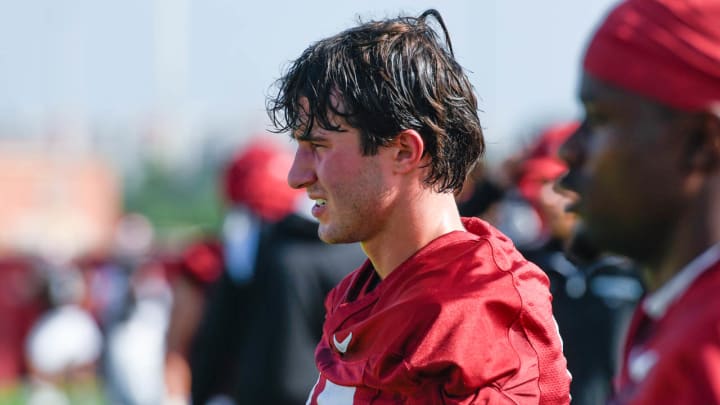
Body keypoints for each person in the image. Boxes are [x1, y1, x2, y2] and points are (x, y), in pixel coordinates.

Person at [267, 9, 570, 404]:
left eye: (318, 146)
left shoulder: (477, 311)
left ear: (405, 151)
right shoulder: (365, 289)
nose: (296, 175)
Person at [558, 0, 720, 403]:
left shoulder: (709, 347)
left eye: (599, 119)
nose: (568, 150)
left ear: (702, 142)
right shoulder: (677, 310)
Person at [499, 122, 644, 405]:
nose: (549, 199)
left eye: (560, 182)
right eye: (542, 184)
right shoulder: (521, 264)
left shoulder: (637, 267)